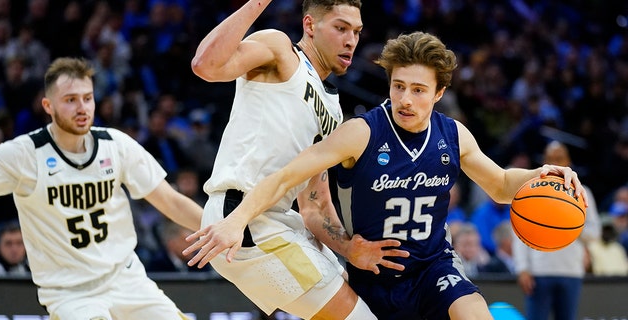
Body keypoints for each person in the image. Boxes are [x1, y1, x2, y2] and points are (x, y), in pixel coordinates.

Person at [186, 31, 588, 319]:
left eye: (417, 89)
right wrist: (237, 219)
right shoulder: (360, 133)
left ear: (438, 93)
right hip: (374, 275)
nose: (405, 99)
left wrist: (541, 175)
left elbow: (501, 185)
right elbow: (285, 176)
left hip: (433, 267)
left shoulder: (453, 135)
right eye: (398, 86)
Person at [186, 1, 410, 319]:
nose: (351, 40)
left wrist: (348, 249)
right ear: (309, 26)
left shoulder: (333, 108)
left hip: (283, 224)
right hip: (242, 219)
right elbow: (205, 65)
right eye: (341, 28)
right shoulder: (280, 50)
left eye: (357, 32)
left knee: (373, 307)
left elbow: (314, 205)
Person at [0, 57, 204, 320]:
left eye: (87, 98)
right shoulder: (23, 155)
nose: (82, 108)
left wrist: (221, 228)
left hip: (126, 279)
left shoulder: (116, 145)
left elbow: (171, 202)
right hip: (71, 293)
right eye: (70, 100)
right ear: (48, 106)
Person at [513, 140, 600, 320]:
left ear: (568, 161)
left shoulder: (583, 192)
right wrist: (522, 268)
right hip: (539, 271)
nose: (555, 163)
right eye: (550, 158)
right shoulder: (532, 190)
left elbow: (595, 232)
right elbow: (519, 229)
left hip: (571, 271)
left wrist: (569, 223)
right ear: (544, 161)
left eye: (559, 158)